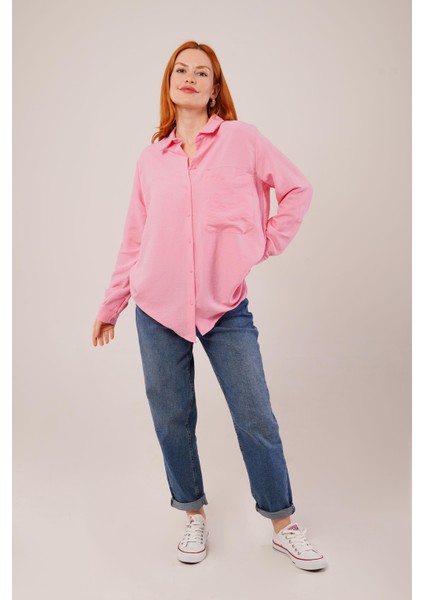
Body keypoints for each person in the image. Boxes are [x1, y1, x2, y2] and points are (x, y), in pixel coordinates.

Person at [92, 41, 327, 570]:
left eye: (202, 73)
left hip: (225, 306)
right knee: (172, 417)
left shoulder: (243, 140)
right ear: (169, 82)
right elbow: (134, 239)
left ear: (215, 88)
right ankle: (192, 513)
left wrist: (261, 244)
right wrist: (112, 304)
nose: (190, 78)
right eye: (181, 70)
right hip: (157, 307)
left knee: (255, 415)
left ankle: (283, 524)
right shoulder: (151, 159)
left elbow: (297, 189)